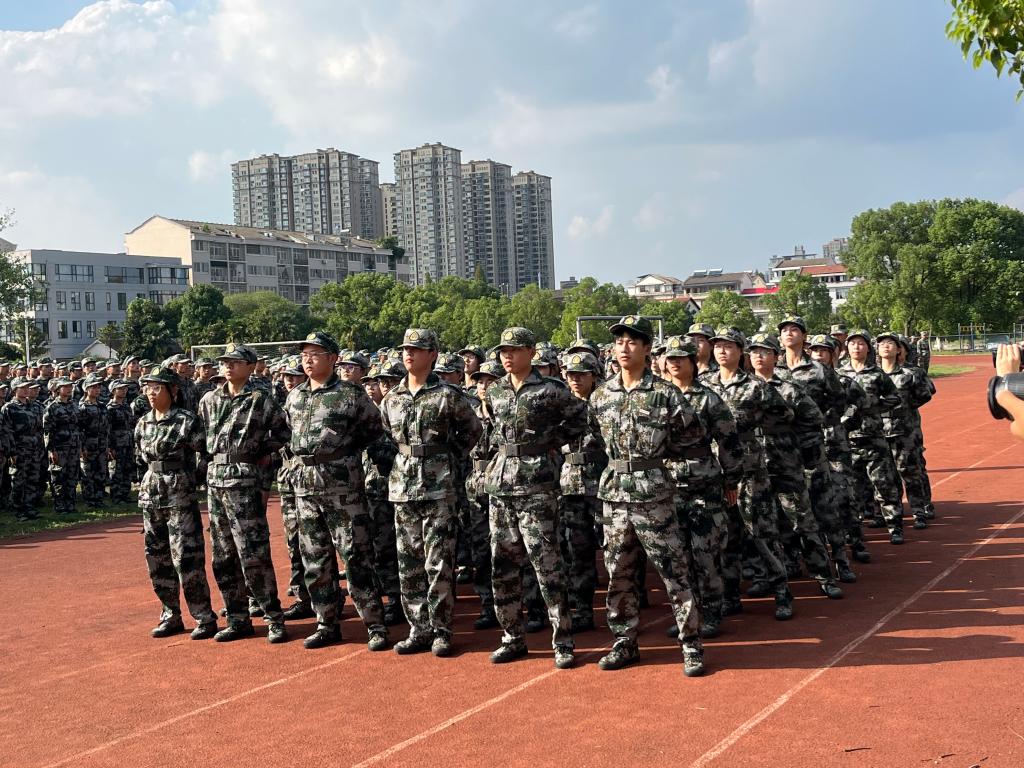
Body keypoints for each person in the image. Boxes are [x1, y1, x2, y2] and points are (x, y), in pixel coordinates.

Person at [589, 316, 705, 676]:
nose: (624, 348)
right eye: (619, 341)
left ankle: (691, 643)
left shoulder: (665, 394)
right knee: (618, 574)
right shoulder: (601, 395)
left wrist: (656, 462)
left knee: (674, 572)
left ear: (648, 348)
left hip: (653, 494)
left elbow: (691, 438)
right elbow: (594, 437)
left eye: (632, 341)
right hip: (614, 495)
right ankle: (624, 642)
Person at [483, 326, 586, 669]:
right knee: (502, 567)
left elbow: (579, 419)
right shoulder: (495, 390)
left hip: (538, 486)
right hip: (501, 487)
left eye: (514, 350)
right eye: (503, 351)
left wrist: (550, 443)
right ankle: (512, 637)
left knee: (547, 566)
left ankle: (563, 641)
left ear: (530, 351)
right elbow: (491, 430)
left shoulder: (552, 389)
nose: (507, 356)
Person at [283, 332, 389, 651]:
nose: (308, 360)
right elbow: (289, 437)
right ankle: (326, 622)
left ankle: (374, 623)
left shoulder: (350, 395)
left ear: (332, 359)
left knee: (356, 557)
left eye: (315, 354)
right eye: (305, 354)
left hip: (343, 489)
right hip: (306, 489)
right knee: (315, 560)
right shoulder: (295, 396)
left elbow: (374, 434)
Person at [379, 328, 482, 656]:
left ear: (432, 354)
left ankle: (441, 629)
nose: (409, 354)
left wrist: (448, 460)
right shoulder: (392, 398)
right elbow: (385, 438)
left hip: (439, 489)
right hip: (403, 489)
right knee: (409, 563)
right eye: (406, 349)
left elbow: (472, 431)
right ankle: (418, 628)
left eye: (417, 349)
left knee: (438, 563)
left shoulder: (448, 395)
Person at [198, 343, 290, 643]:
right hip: (216, 481)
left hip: (245, 481)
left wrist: (260, 454)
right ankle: (237, 618)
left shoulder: (260, 400)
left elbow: (284, 433)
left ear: (250, 367)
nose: (228, 366)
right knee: (223, 556)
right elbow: (201, 438)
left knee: (253, 553)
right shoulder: (209, 400)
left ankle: (273, 616)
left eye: (235, 362)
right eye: (225, 361)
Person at [704, 327, 794, 620]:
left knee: (762, 532)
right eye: (718, 346)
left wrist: (752, 432)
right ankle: (731, 596)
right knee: (726, 536)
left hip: (750, 469)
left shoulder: (756, 386)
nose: (722, 351)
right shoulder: (705, 384)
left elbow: (784, 415)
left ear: (740, 351)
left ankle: (782, 593)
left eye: (729, 346)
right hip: (717, 469)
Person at [746, 333, 843, 598]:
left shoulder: (788, 388)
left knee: (801, 519)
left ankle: (823, 575)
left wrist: (792, 442)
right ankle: (768, 575)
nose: (758, 356)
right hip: (753, 465)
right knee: (761, 524)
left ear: (776, 356)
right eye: (754, 352)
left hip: (785, 462)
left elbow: (813, 417)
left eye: (764, 351)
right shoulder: (743, 388)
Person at [661, 336, 742, 639]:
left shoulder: (708, 398)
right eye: (670, 358)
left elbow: (729, 440)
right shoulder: (658, 396)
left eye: (680, 358)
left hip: (704, 482)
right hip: (668, 482)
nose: (675, 363)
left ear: (693, 362)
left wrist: (731, 480)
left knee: (705, 553)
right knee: (677, 556)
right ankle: (687, 615)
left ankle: (712, 612)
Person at [135, 366, 218, 640]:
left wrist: (193, 478)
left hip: (179, 495)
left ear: (173, 390)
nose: (151, 393)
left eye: (157, 387)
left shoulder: (186, 420)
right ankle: (170, 614)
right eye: (148, 388)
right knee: (156, 557)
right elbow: (140, 459)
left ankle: (203, 616)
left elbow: (206, 453)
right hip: (151, 496)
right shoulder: (143, 423)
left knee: (187, 556)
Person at [839, 330, 907, 545]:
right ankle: (857, 529)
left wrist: (872, 407)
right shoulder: (838, 374)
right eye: (852, 343)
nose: (856, 347)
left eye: (861, 343)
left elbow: (894, 397)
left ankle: (894, 526)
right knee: (853, 487)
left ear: (868, 348)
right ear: (846, 348)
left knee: (883, 483)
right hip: (847, 438)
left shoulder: (877, 374)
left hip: (873, 437)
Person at [558, 351, 607, 634]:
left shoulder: (605, 400)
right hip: (571, 485)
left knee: (614, 549)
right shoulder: (562, 404)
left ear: (594, 375)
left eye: (581, 374)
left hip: (602, 483)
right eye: (571, 375)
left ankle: (627, 605)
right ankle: (584, 610)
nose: (575, 379)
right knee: (578, 551)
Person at [877, 332, 934, 530]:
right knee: (886, 475)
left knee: (911, 471)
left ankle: (920, 510)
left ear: (900, 349)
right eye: (882, 344)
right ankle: (892, 514)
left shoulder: (911, 373)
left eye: (891, 344)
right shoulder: (874, 374)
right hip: (879, 432)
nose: (886, 347)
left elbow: (925, 394)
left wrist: (904, 408)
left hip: (906, 430)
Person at [43, 378, 81, 515]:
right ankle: (60, 505)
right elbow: (47, 430)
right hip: (59, 448)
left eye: (70, 386)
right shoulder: (52, 407)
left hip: (73, 447)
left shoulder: (74, 405)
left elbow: (78, 427)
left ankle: (70, 505)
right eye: (66, 387)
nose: (69, 389)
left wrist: (79, 446)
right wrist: (51, 450)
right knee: (59, 477)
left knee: (72, 476)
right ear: (58, 389)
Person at [78, 374, 109, 509]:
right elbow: (79, 429)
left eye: (98, 387)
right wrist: (82, 447)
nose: (97, 389)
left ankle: (99, 498)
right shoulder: (82, 407)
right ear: (86, 389)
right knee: (88, 473)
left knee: (101, 472)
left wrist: (107, 445)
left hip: (101, 445)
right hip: (88, 445)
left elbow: (106, 427)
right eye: (94, 387)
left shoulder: (102, 406)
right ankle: (90, 500)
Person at [106, 380, 135, 504]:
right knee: (116, 470)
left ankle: (125, 494)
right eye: (120, 389)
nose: (123, 391)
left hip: (128, 442)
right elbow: (107, 429)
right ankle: (116, 496)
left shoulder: (126, 406)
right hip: (116, 444)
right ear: (113, 391)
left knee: (127, 468)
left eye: (125, 389)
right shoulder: (110, 408)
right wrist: (109, 446)